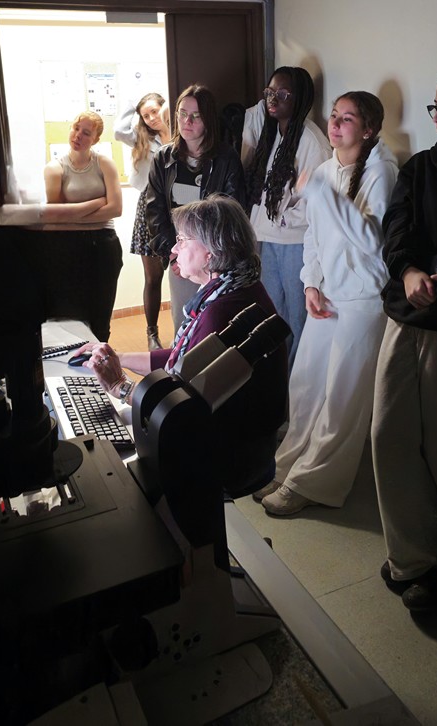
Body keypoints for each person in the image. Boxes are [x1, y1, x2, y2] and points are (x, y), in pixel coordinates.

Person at [73, 194, 288, 495]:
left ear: (211, 252)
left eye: (182, 240)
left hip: (224, 452)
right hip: (238, 441)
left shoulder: (222, 311)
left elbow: (180, 409)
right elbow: (184, 359)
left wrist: (120, 386)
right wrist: (118, 357)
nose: (174, 249)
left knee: (104, 460)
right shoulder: (237, 287)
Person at [257, 91, 398, 516]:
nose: (334, 124)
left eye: (347, 118)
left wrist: (321, 194)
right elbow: (314, 237)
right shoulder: (324, 170)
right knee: (305, 385)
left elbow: (371, 239)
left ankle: (314, 483)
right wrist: (310, 284)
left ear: (368, 129)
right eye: (334, 116)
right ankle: (288, 465)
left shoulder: (382, 171)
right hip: (329, 293)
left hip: (364, 299)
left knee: (343, 397)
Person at [371, 67, 437, 613]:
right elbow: (397, 229)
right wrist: (407, 272)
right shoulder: (421, 167)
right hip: (407, 315)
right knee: (388, 434)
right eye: (436, 107)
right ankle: (414, 555)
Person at [242, 66, 331, 369]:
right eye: (270, 92)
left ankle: (295, 384)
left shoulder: (312, 141)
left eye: (282, 93)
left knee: (296, 319)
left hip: (294, 243)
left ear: (300, 98)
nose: (273, 99)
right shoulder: (272, 133)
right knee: (273, 316)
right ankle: (277, 378)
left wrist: (281, 220)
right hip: (266, 238)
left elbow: (316, 200)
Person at [146, 84, 246, 334]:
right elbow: (155, 212)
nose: (186, 121)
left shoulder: (226, 158)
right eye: (182, 113)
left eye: (196, 116)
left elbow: (231, 212)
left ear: (208, 120)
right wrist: (173, 255)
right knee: (184, 326)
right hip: (181, 258)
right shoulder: (163, 158)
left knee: (217, 326)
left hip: (217, 260)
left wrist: (214, 258)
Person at [33, 110, 123, 342]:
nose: (78, 136)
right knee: (69, 313)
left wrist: (73, 215)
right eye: (76, 128)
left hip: (104, 243)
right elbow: (55, 215)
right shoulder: (55, 168)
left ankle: (101, 358)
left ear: (95, 139)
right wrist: (97, 203)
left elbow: (116, 209)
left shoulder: (105, 163)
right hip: (67, 245)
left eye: (86, 133)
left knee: (101, 314)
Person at [114, 93, 171, 350]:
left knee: (187, 274)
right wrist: (133, 99)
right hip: (149, 207)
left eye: (154, 112)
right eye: (145, 115)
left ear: (165, 108)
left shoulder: (182, 135)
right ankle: (152, 333)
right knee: (153, 276)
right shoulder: (142, 138)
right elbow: (118, 131)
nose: (151, 119)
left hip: (180, 206)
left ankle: (188, 330)